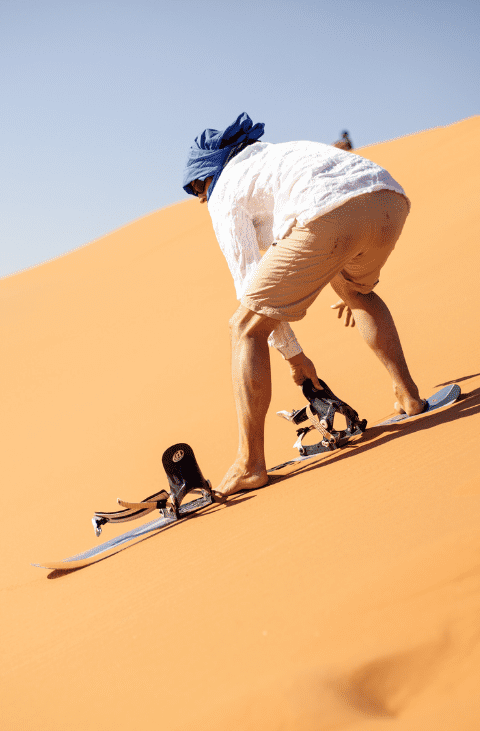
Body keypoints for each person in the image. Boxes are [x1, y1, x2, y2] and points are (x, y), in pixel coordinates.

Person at [182, 113, 424, 500]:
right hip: (388, 198)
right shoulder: (277, 156)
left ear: (208, 174)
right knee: (357, 294)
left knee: (244, 327)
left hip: (327, 212)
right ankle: (408, 395)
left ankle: (249, 464)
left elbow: (249, 289)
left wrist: (295, 358)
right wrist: (343, 281)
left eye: (197, 188)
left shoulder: (224, 189)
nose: (200, 198)